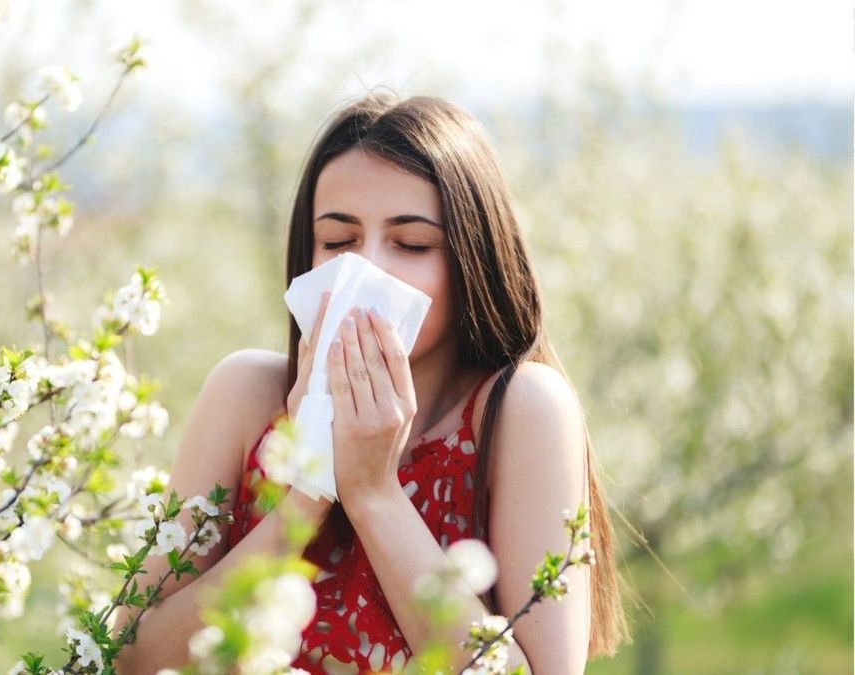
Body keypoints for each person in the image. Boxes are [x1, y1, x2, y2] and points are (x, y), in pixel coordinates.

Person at [113, 91, 629, 674]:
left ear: (472, 258)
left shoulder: (523, 412)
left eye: (411, 244)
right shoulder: (244, 395)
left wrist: (373, 493)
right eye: (338, 241)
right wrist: (307, 492)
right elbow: (132, 660)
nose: (368, 269)